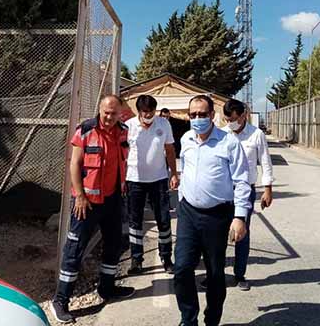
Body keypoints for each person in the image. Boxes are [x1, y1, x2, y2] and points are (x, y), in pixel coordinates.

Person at [50, 95, 135, 324]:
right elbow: (75, 164)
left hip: (113, 200)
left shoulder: (123, 131)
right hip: (86, 203)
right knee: (74, 249)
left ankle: (107, 288)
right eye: (106, 112)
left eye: (114, 113)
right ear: (100, 109)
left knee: (113, 244)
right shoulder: (86, 130)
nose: (109, 117)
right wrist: (79, 195)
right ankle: (60, 300)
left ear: (120, 113)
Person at [174, 95, 251, 326]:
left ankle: (212, 320)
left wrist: (240, 217)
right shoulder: (186, 138)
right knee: (182, 268)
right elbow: (185, 169)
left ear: (211, 115)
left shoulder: (228, 143)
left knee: (215, 273)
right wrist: (182, 198)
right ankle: (188, 319)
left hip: (217, 216)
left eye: (202, 114)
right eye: (193, 115)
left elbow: (242, 181)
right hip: (188, 213)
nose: (197, 118)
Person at [222, 98, 274, 291]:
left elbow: (265, 162)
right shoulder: (222, 134)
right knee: (219, 232)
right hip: (224, 190)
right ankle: (216, 274)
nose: (230, 123)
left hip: (246, 191)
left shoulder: (256, 134)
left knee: (241, 232)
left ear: (243, 116)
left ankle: (239, 274)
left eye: (233, 119)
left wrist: (267, 189)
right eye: (227, 120)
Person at [125, 95, 179, 275]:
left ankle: (166, 258)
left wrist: (173, 173)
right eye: (145, 112)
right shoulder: (129, 126)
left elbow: (169, 150)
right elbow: (122, 153)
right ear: (139, 111)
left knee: (163, 219)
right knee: (135, 221)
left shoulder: (163, 124)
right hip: (134, 181)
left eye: (152, 111)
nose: (148, 115)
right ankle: (136, 260)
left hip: (159, 180)